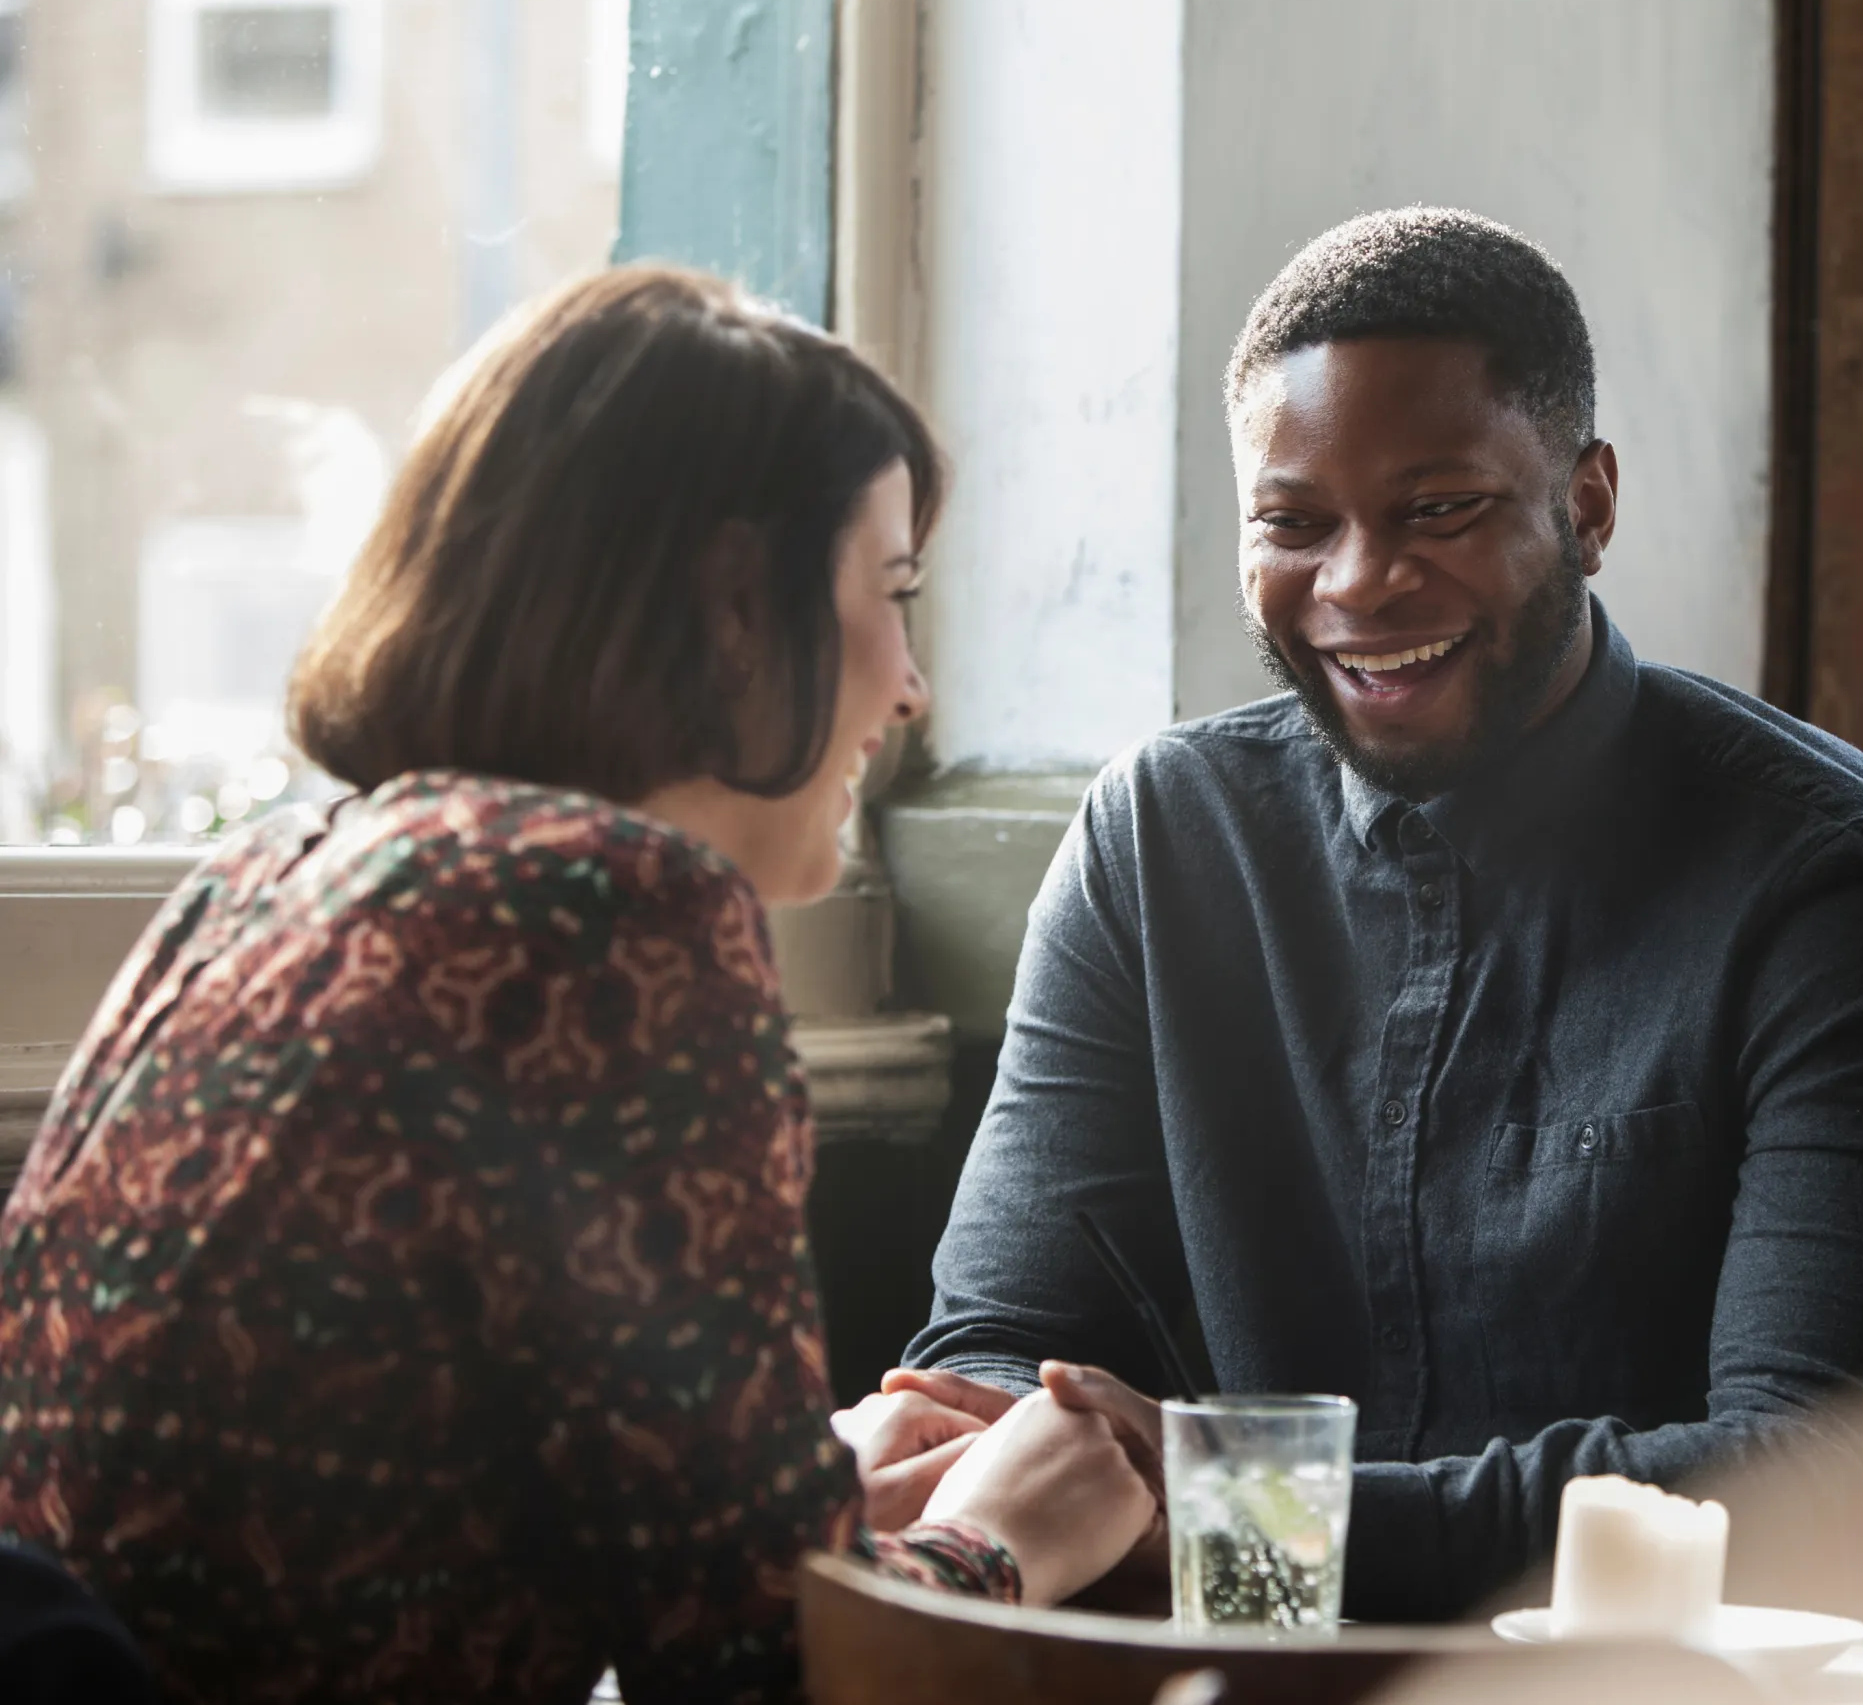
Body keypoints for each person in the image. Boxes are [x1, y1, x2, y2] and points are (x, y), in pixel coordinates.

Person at [0, 266, 1156, 1704]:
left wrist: (810, 1512)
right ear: (739, 606)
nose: (911, 688)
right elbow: (758, 1677)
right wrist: (1010, 1533)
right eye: (891, 594)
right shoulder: (616, 915)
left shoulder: (266, 881)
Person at [876, 208, 1863, 1620]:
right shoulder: (1160, 839)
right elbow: (1002, 1346)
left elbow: (1827, 1488)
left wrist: (1244, 1521)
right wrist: (952, 1449)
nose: (1357, 582)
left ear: (1586, 505)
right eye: (1293, 523)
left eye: (1440, 510)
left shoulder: (1841, 883)